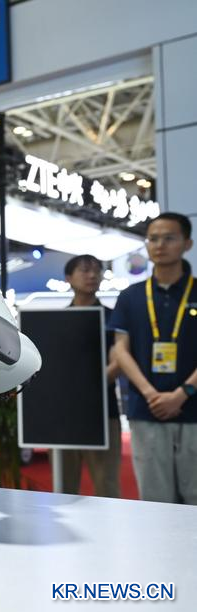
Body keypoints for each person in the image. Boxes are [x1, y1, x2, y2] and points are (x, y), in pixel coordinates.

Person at [110, 212, 197, 504]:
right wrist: (150, 394)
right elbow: (120, 350)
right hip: (146, 410)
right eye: (153, 239)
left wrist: (182, 394)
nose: (160, 245)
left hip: (194, 408)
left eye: (169, 238)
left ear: (187, 243)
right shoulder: (130, 296)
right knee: (155, 500)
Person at [59, 254, 121, 497]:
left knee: (107, 484)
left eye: (97, 270)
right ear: (68, 278)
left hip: (104, 410)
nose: (92, 275)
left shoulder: (113, 318)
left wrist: (93, 384)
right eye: (85, 270)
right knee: (63, 486)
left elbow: (121, 359)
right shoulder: (57, 320)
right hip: (65, 415)